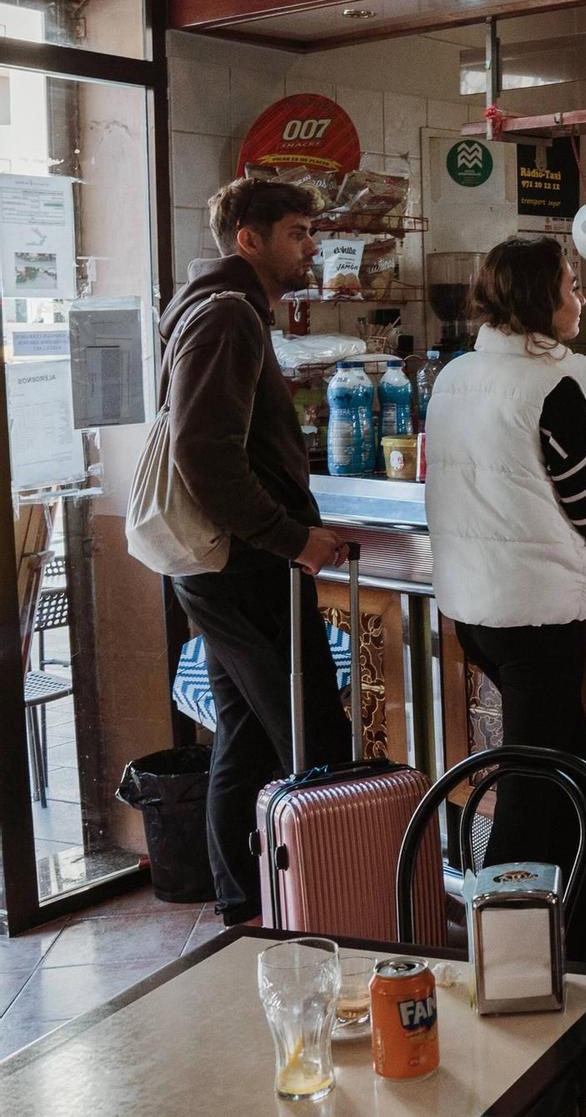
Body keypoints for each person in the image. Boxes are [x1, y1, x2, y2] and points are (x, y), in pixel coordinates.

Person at [162, 177, 351, 925]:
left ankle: (242, 897)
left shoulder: (217, 309)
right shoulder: (228, 318)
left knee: (243, 728)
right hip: (246, 563)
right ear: (250, 236)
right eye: (298, 231)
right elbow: (205, 456)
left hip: (226, 563)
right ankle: (336, 898)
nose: (310, 246)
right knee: (312, 732)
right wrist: (292, 537)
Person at [424, 236, 586, 960]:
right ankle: (503, 948)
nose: (582, 296)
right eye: (572, 284)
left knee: (570, 755)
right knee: (539, 779)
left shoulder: (455, 375)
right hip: (537, 611)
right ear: (542, 299)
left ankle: (575, 928)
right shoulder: (549, 388)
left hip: (474, 609)